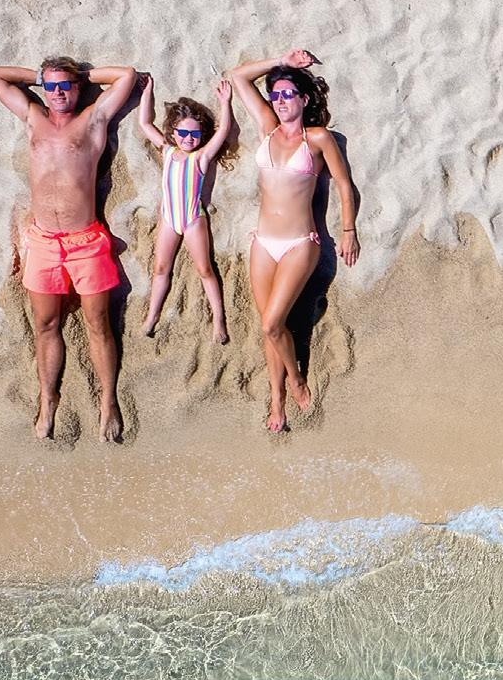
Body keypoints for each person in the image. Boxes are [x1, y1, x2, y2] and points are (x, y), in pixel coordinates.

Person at [0, 55, 145, 442]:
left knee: (98, 325)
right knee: (45, 324)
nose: (57, 93)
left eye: (64, 86)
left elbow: (126, 76)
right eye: (51, 87)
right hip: (43, 241)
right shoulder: (33, 116)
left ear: (76, 88)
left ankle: (108, 401)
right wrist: (41, 78)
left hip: (85, 240)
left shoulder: (92, 118)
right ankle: (48, 399)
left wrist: (80, 76)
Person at [225, 50, 360, 433]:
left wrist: (348, 230)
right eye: (276, 95)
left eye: (288, 94)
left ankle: (297, 380)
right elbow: (238, 77)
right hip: (263, 242)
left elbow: (345, 185)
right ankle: (277, 399)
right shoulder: (268, 128)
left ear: (303, 98)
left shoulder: (317, 138)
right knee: (270, 325)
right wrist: (281, 60)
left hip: (301, 242)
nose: (281, 101)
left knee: (272, 325)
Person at [135, 81, 238, 343]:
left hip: (193, 218)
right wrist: (146, 92)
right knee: (161, 268)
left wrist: (225, 103)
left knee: (205, 269)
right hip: (169, 218)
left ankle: (219, 320)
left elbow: (223, 130)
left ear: (201, 135)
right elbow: (145, 124)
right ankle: (152, 316)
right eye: (182, 133)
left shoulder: (201, 157)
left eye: (194, 134)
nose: (188, 138)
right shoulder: (168, 151)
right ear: (173, 131)